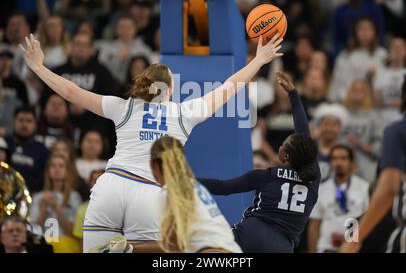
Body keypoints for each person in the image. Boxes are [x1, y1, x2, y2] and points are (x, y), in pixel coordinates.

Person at [19, 32, 283, 252]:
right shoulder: (183, 113)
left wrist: (39, 67)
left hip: (111, 185)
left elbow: (71, 92)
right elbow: (230, 86)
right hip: (150, 193)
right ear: (170, 89)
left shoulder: (122, 107)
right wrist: (259, 60)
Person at [199, 71, 321, 253]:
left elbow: (222, 187)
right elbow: (304, 134)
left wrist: (186, 180)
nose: (280, 146)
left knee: (202, 248)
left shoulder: (268, 175)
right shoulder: (314, 176)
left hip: (250, 235)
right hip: (282, 247)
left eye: (283, 145)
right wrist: (293, 94)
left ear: (285, 157)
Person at [90, 137, 242, 253]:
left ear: (154, 165)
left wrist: (127, 248)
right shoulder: (193, 185)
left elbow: (173, 246)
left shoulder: (168, 192)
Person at [340, 76, 406, 253]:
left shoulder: (396, 131)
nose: (341, 162)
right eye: (337, 158)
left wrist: (354, 240)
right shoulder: (324, 186)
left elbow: (388, 189)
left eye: (344, 158)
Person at [308, 145, 370, 253]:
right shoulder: (321, 189)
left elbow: (367, 220)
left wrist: (349, 239)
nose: (339, 163)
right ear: (330, 163)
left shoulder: (364, 187)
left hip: (353, 248)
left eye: (343, 158)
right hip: (325, 248)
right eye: (335, 158)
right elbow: (314, 225)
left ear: (351, 162)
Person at [29, 153, 82, 253]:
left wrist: (56, 208)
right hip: (43, 246)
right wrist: (43, 210)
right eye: (53, 166)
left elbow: (73, 233)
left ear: (67, 171)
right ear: (48, 171)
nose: (57, 169)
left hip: (67, 246)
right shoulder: (38, 197)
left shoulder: (74, 197)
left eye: (61, 166)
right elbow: (33, 232)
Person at [330, 17, 387, 102]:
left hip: (375, 103)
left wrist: (374, 77)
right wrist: (348, 98)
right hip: (348, 102)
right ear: (355, 32)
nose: (364, 32)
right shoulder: (345, 55)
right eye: (361, 29)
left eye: (368, 29)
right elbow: (338, 82)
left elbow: (387, 83)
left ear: (375, 33)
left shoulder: (383, 55)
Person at [342, 80, 383, 183]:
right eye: (354, 89)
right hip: (339, 166)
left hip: (366, 170)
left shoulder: (375, 117)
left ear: (367, 95)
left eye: (361, 90)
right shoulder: (340, 113)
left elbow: (380, 148)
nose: (357, 92)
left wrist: (359, 145)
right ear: (348, 93)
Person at [5, 106, 50, 193]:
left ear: (35, 124)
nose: (24, 125)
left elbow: (46, 179)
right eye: (21, 120)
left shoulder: (42, 151)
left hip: (32, 197)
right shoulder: (3, 144)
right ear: (13, 122)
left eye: (29, 121)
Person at [99, 14, 151, 84]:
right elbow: (102, 72)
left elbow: (149, 72)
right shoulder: (107, 49)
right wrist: (117, 60)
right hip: (113, 86)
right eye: (122, 27)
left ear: (135, 28)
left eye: (129, 27)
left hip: (138, 86)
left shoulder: (144, 50)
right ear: (116, 29)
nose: (125, 31)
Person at [373, 37, 406, 127]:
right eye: (395, 47)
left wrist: (387, 103)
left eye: (401, 47)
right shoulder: (380, 72)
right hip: (382, 118)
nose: (398, 50)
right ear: (389, 51)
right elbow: (376, 100)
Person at [73, 169, 104, 251]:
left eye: (100, 180)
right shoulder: (82, 209)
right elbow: (81, 242)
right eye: (94, 180)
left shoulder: (118, 207)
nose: (97, 184)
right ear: (89, 184)